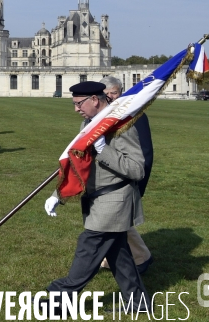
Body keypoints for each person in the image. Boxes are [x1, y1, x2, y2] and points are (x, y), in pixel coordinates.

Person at [43, 81, 149, 313]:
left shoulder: (121, 127)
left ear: (95, 99)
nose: (76, 109)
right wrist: (57, 194)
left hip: (113, 201)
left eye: (79, 103)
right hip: (97, 200)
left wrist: (104, 150)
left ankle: (60, 299)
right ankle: (138, 303)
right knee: (118, 255)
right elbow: (79, 166)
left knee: (88, 248)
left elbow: (137, 169)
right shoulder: (90, 124)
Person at [99, 76, 154, 274]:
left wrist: (140, 183)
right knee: (110, 219)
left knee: (113, 218)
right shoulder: (104, 116)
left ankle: (141, 257)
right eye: (106, 94)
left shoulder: (135, 115)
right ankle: (108, 258)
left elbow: (145, 152)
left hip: (127, 176)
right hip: (109, 176)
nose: (110, 97)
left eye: (114, 93)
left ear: (121, 92)